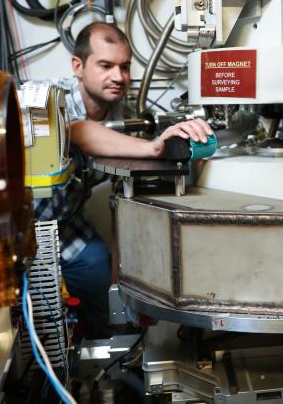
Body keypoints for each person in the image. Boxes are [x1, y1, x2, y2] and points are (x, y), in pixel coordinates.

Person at [34, 22, 212, 338]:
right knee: (36, 328)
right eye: (105, 65)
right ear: (78, 66)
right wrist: (153, 148)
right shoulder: (47, 100)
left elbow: (122, 198)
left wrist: (121, 285)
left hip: (72, 233)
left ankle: (105, 364)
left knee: (107, 312)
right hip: (27, 232)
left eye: (124, 67)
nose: (118, 77)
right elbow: (77, 131)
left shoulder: (125, 114)